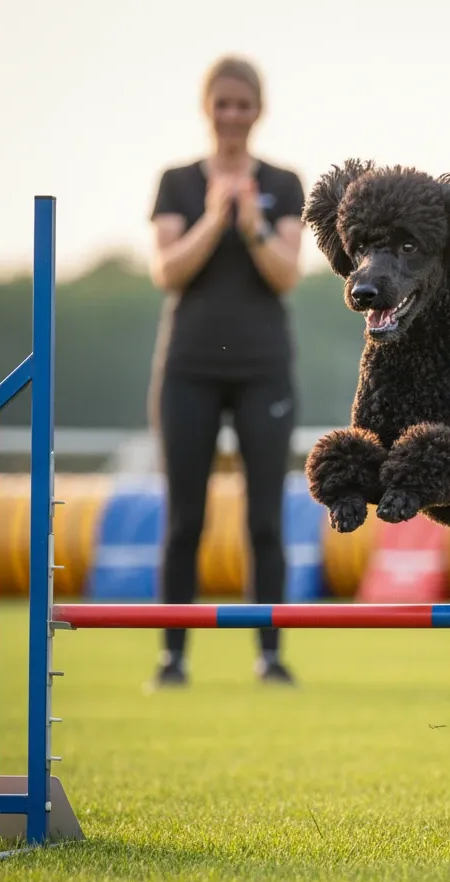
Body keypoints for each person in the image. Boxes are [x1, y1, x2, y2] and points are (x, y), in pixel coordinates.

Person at [146, 55, 305, 687]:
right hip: (188, 368)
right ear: (207, 107)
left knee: (264, 520)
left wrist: (253, 223)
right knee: (185, 519)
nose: (233, 115)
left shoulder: (284, 183)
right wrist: (215, 218)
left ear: (258, 110)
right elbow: (166, 271)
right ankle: (172, 656)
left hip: (264, 369)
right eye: (223, 103)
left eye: (243, 104)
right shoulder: (177, 183)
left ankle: (269, 654)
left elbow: (287, 274)